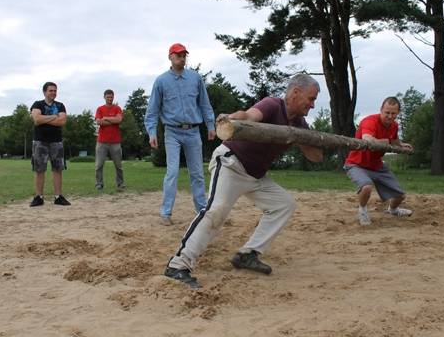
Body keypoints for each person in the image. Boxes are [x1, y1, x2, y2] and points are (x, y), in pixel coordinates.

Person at [164, 73, 323, 288]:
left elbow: (316, 157)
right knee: (216, 210)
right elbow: (249, 116)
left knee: (284, 205)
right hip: (232, 164)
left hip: (255, 176)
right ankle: (178, 265)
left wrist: (303, 139)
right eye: (311, 99)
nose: (312, 105)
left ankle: (248, 254)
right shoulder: (272, 104)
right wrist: (231, 119)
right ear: (296, 93)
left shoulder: (300, 124)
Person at [144, 43, 216, 226]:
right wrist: (151, 132)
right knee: (172, 172)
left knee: (198, 173)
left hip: (193, 131)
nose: (181, 58)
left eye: (184, 55)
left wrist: (210, 125)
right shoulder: (161, 81)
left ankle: (201, 210)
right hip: (172, 132)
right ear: (170, 57)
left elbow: (205, 104)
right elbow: (152, 110)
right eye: (178, 55)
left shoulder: (195, 78)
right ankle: (165, 213)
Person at [344, 96, 413, 226]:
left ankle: (393, 210)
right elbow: (367, 139)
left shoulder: (394, 126)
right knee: (367, 187)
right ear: (381, 110)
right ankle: (362, 211)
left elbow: (394, 140)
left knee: (400, 196)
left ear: (398, 113)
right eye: (387, 112)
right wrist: (385, 142)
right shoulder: (370, 121)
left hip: (377, 166)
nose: (390, 116)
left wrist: (401, 145)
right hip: (356, 164)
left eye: (393, 113)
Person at [29, 82, 71, 207]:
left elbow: (62, 121)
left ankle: (58, 197)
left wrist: (44, 118)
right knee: (39, 169)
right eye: (50, 90)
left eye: (55, 90)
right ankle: (38, 197)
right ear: (44, 92)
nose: (53, 92)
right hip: (40, 141)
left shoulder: (60, 105)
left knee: (58, 169)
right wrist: (54, 116)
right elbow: (37, 120)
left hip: (56, 142)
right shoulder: (37, 104)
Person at [95, 89, 124, 190]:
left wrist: (106, 118)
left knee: (118, 165)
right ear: (104, 97)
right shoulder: (100, 109)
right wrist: (113, 120)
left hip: (115, 141)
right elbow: (99, 122)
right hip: (102, 141)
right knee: (99, 165)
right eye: (108, 97)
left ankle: (120, 183)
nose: (110, 99)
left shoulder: (117, 108)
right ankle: (99, 183)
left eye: (111, 97)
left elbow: (119, 119)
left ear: (113, 97)